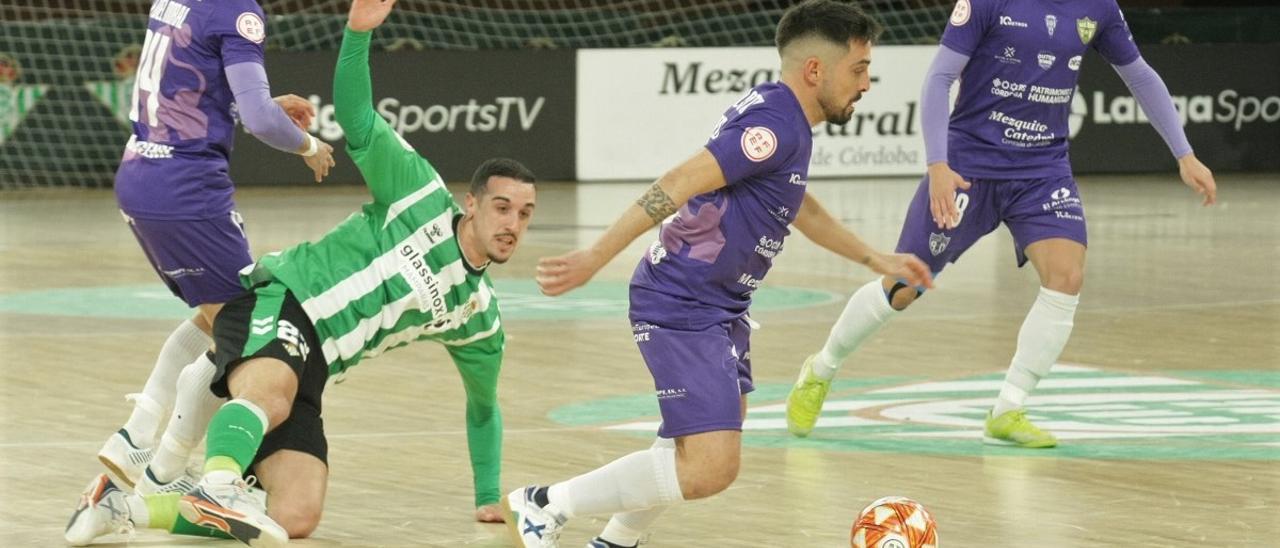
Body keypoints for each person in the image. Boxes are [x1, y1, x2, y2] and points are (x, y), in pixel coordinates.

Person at [65, 1, 534, 546]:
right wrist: (358, 34)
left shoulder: (478, 317)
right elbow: (357, 117)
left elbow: (483, 408)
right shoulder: (420, 190)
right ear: (472, 204)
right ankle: (193, 472)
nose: (513, 225)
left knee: (295, 516)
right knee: (261, 385)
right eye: (502, 208)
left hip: (319, 368)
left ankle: (127, 507)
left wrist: (486, 495)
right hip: (287, 301)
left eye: (524, 215)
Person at [500, 2, 932, 547]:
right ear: (815, 70)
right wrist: (595, 256)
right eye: (859, 68)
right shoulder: (775, 125)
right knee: (710, 467)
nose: (867, 83)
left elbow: (800, 206)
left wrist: (876, 259)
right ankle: (546, 504)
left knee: (691, 445)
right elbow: (680, 179)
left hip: (721, 305)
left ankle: (615, 541)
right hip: (682, 302)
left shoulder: (786, 119)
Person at [785, 0, 1218, 447]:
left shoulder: (1100, 8)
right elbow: (939, 78)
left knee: (1066, 276)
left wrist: (1184, 153)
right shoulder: (986, 3)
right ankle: (822, 367)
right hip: (968, 167)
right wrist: (938, 164)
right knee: (904, 285)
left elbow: (1139, 74)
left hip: (1042, 170)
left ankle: (1009, 407)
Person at [100, 0, 336, 492]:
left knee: (215, 319)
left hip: (141, 174)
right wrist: (309, 146)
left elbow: (187, 89)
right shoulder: (237, 11)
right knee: (243, 328)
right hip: (186, 188)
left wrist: (265, 105)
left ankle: (139, 435)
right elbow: (260, 121)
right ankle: (162, 466)